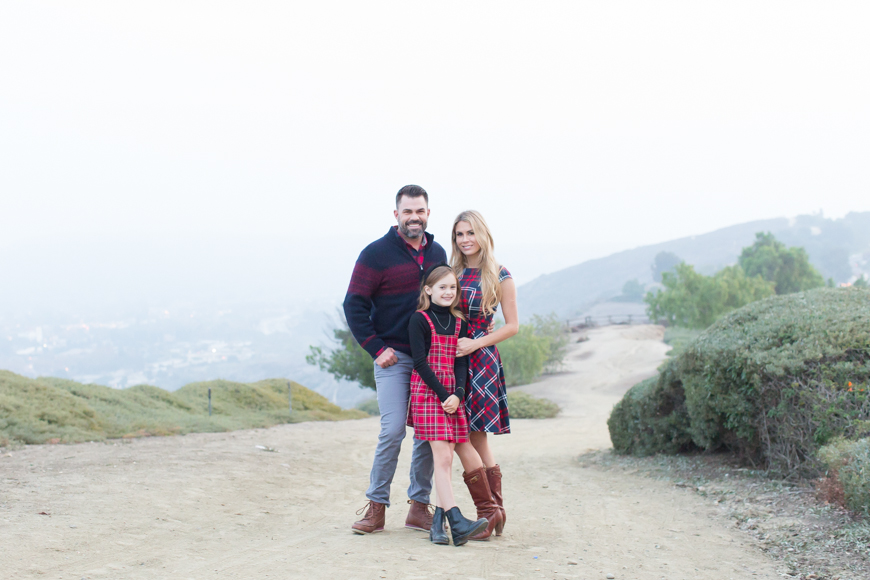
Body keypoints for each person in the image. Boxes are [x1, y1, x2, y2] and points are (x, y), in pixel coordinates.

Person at [344, 185, 446, 535]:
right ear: (396, 214)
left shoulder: (438, 252)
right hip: (394, 357)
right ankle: (376, 507)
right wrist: (376, 347)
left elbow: (445, 299)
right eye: (407, 212)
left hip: (430, 359)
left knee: (427, 433)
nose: (414, 217)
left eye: (420, 211)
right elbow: (353, 304)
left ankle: (419, 507)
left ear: (428, 213)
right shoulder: (375, 254)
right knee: (392, 431)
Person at [407, 264, 502, 545]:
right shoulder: (419, 320)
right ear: (428, 290)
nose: (448, 292)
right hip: (429, 393)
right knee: (444, 457)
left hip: (452, 395)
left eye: (452, 287)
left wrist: (458, 394)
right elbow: (420, 363)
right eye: (441, 287)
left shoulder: (459, 322)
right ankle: (456, 520)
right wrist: (443, 394)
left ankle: (440, 524)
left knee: (452, 455)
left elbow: (461, 361)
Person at [451, 210, 518, 537]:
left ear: (482, 235)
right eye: (460, 234)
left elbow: (512, 327)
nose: (465, 240)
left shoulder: (500, 274)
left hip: (481, 357)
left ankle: (491, 512)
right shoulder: (452, 273)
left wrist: (475, 344)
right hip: (454, 357)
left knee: (474, 433)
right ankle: (496, 511)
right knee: (473, 435)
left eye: (470, 233)